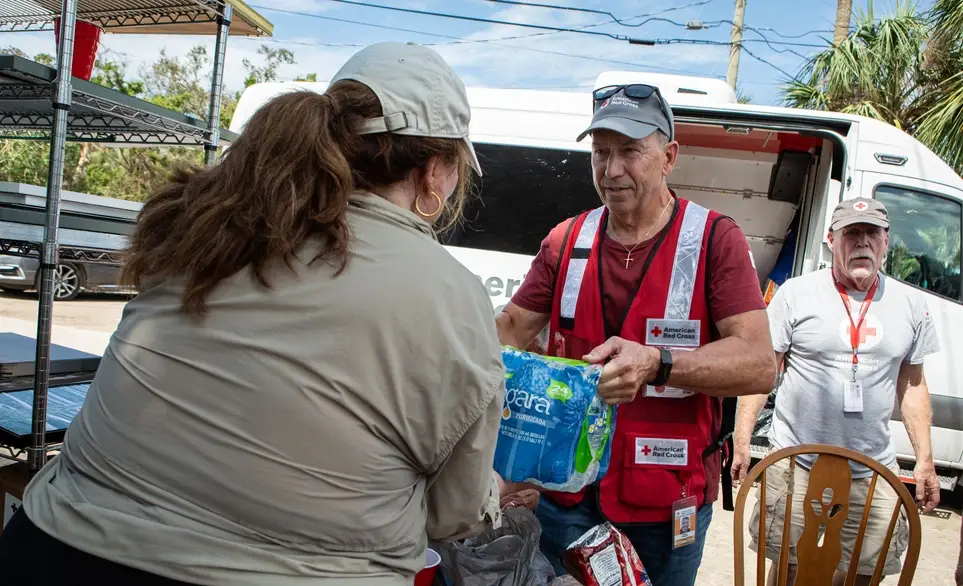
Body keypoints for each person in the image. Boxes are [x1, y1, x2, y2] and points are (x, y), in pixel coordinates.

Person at [0, 42, 512, 585]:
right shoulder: (450, 293)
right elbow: (454, 514)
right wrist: (493, 495)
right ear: (435, 172)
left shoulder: (209, 225)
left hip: (52, 549)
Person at [496, 83, 777, 585]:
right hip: (565, 498)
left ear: (669, 156)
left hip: (666, 504)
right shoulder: (567, 239)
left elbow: (759, 363)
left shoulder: (715, 239)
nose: (611, 169)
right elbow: (508, 332)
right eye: (600, 153)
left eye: (630, 151)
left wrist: (658, 363)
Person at [731, 197, 942, 585]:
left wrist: (925, 461)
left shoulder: (911, 304)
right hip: (794, 462)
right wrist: (742, 441)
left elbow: (912, 384)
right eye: (851, 233)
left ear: (886, 241)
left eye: (871, 233)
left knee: (865, 574)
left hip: (873, 468)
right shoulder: (795, 294)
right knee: (787, 572)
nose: (862, 242)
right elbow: (763, 372)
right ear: (831, 240)